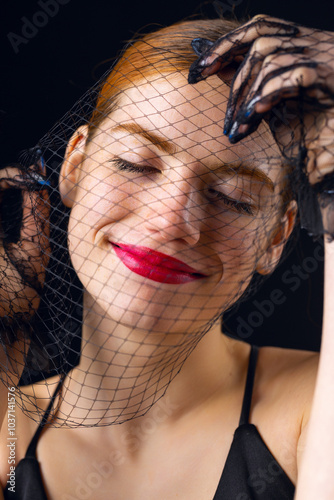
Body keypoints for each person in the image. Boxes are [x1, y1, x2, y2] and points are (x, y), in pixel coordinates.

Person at [0, 14, 332, 499]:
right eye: (135, 164)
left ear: (277, 237)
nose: (173, 222)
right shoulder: (10, 429)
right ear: (74, 166)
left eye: (232, 196)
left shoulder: (314, 408)